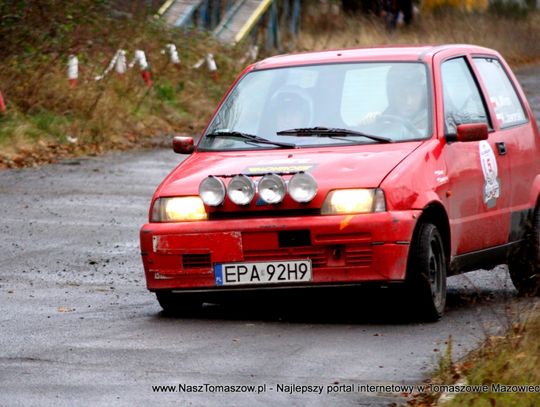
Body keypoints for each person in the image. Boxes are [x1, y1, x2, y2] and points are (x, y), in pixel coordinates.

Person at [358, 64, 428, 138]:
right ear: (392, 96)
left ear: (423, 96)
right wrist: (368, 123)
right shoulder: (383, 119)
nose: (408, 101)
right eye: (402, 94)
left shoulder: (433, 123)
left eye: (414, 94)